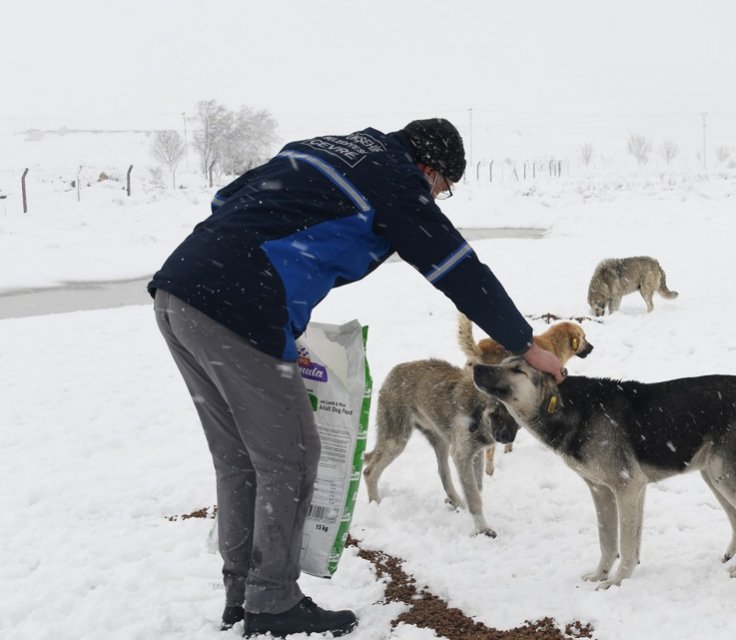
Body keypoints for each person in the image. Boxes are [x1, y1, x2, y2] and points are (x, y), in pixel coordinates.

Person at [149, 118, 564, 637]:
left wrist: (253, 272)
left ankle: (243, 592)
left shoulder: (329, 148)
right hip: (240, 309)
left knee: (239, 458)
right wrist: (526, 345)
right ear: (430, 169)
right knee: (291, 455)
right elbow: (456, 265)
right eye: (443, 187)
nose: (437, 197)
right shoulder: (396, 180)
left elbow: (229, 199)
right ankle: (271, 603)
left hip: (179, 293)